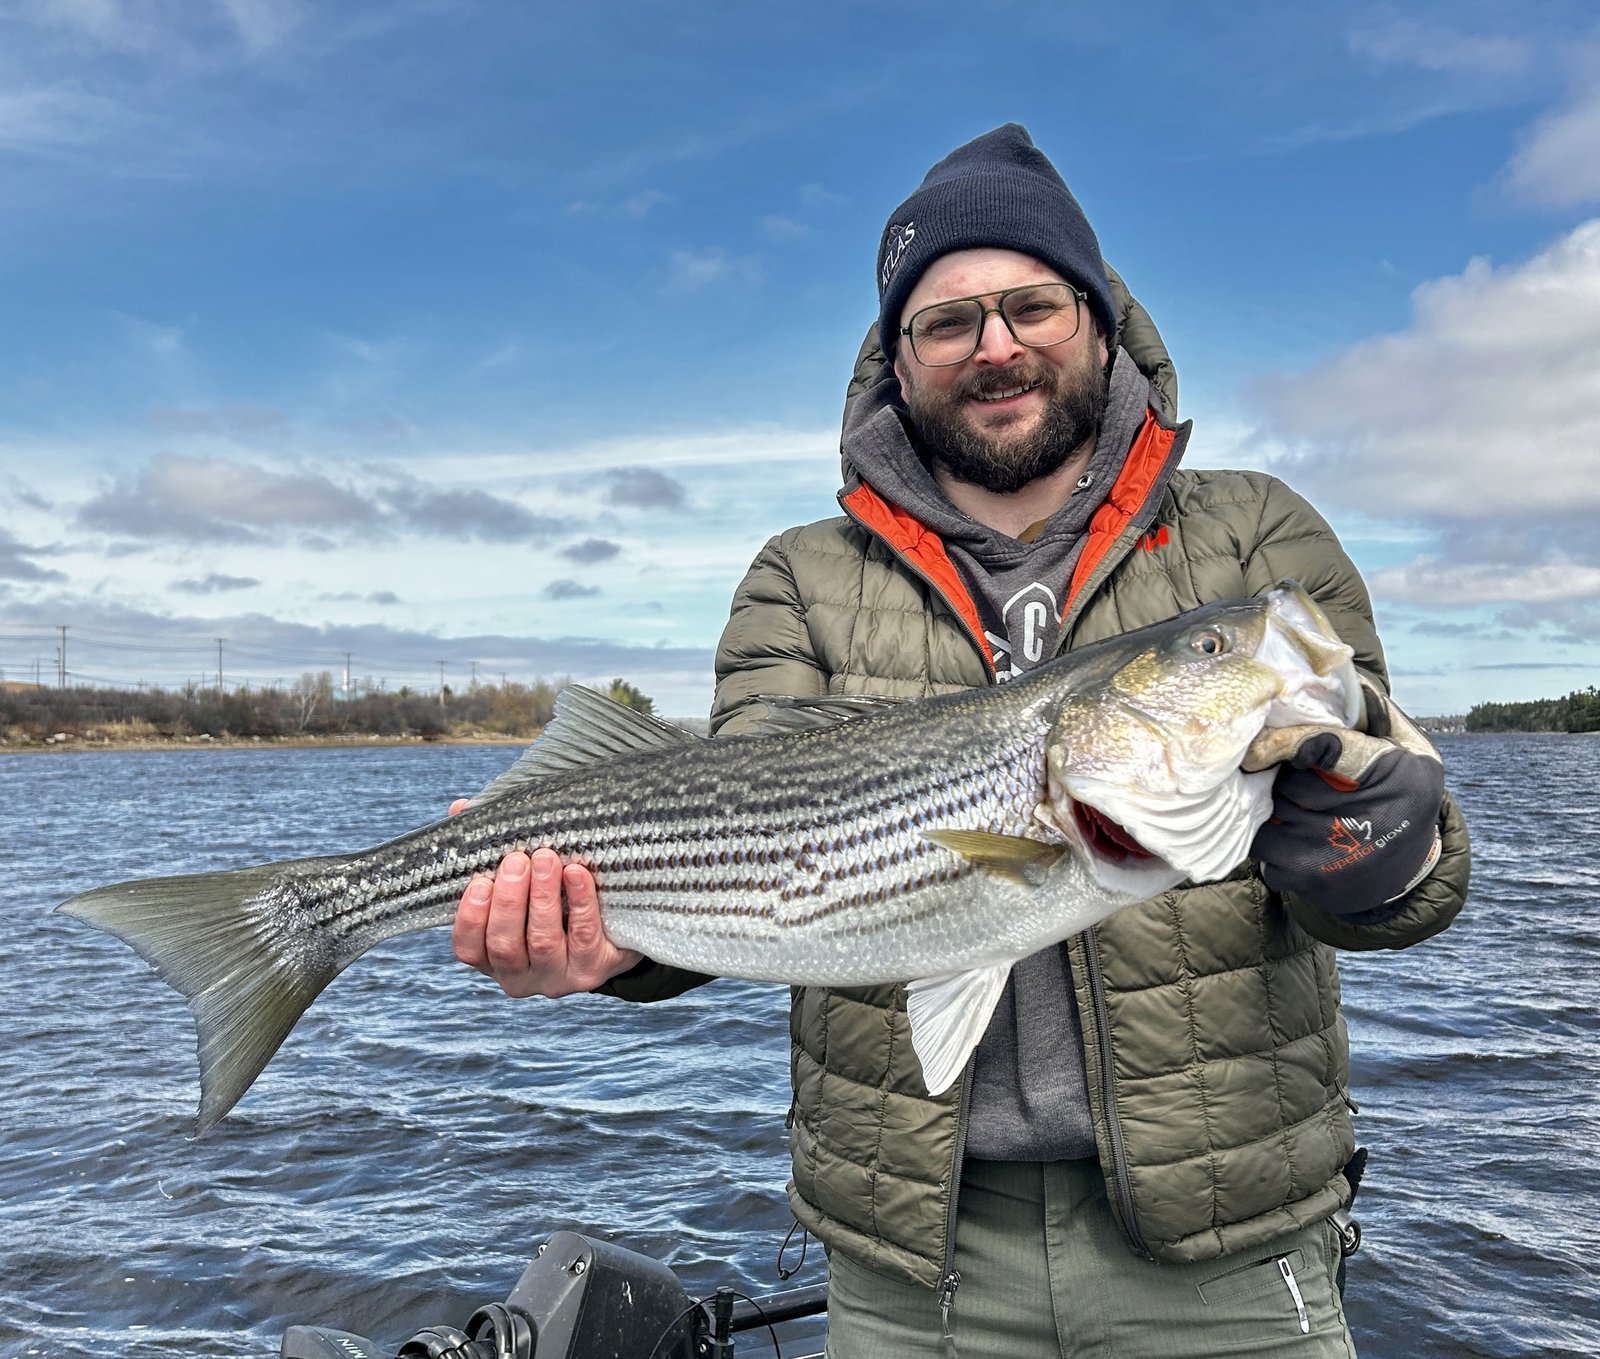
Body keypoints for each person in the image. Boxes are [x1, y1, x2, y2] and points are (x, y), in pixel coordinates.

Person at [452, 125, 1470, 1357]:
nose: (996, 344)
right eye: (947, 322)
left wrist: (1378, 848)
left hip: (1228, 1236)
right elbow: (752, 865)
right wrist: (606, 947)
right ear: (897, 359)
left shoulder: (1252, 541)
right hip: (907, 1257)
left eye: (1031, 303)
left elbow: (1412, 855)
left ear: (1099, 318)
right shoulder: (801, 575)